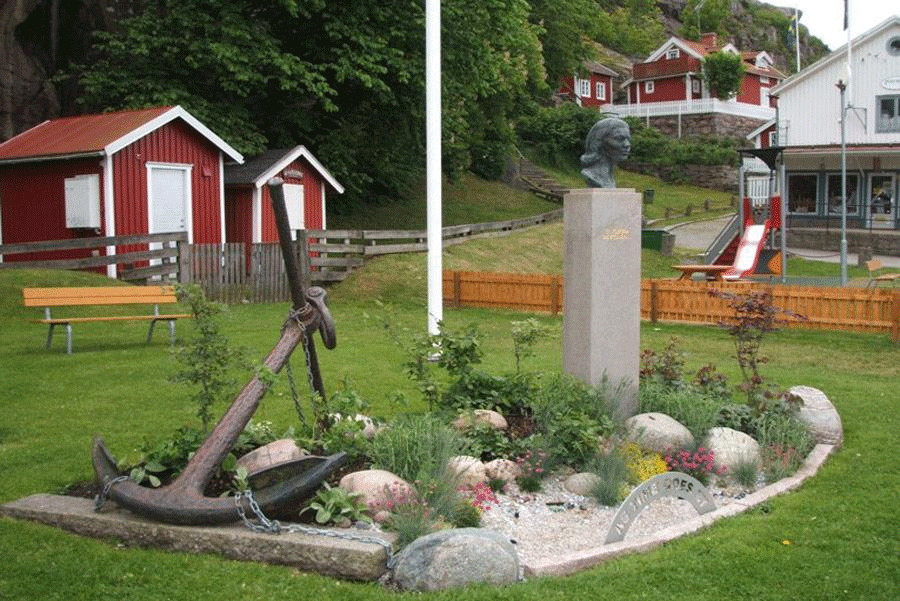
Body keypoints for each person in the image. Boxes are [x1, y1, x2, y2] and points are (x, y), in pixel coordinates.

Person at [580, 117, 631, 188]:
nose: (627, 144)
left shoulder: (610, 178)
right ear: (599, 141)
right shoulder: (591, 175)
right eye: (619, 139)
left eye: (628, 139)